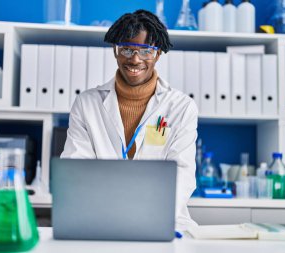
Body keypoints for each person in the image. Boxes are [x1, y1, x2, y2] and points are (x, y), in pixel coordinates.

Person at [61, 9, 198, 231]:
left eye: (146, 51)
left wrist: (146, 215)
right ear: (115, 52)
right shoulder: (87, 104)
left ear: (158, 54)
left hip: (164, 220)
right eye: (127, 49)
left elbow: (182, 173)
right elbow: (76, 169)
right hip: (100, 218)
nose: (135, 59)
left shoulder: (181, 107)